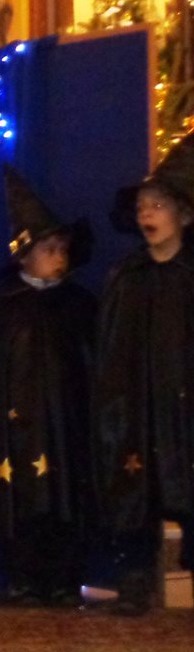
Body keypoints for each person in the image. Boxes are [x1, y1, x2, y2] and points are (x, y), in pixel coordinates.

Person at [93, 134, 194, 615]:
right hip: (136, 403)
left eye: (158, 206)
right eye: (141, 208)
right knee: (135, 487)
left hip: (185, 403)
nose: (147, 215)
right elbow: (111, 345)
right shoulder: (126, 277)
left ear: (183, 216)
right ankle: (133, 577)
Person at [0, 167, 97, 606]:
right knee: (20, 497)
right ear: (24, 256)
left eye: (63, 250)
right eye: (48, 250)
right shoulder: (3, 307)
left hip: (66, 423)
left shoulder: (79, 305)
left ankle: (65, 578)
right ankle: (24, 576)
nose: (58, 258)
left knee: (66, 496)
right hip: (16, 428)